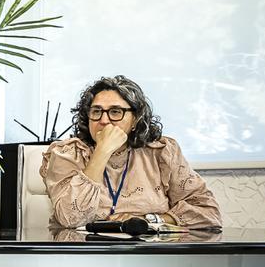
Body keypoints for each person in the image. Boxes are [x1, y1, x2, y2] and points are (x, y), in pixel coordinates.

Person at [40, 75, 221, 230]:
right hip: (84, 254)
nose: (104, 120)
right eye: (96, 111)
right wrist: (102, 151)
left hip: (150, 255)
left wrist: (148, 221)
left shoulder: (161, 152)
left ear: (135, 119)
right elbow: (71, 218)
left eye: (115, 112)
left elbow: (208, 212)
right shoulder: (68, 153)